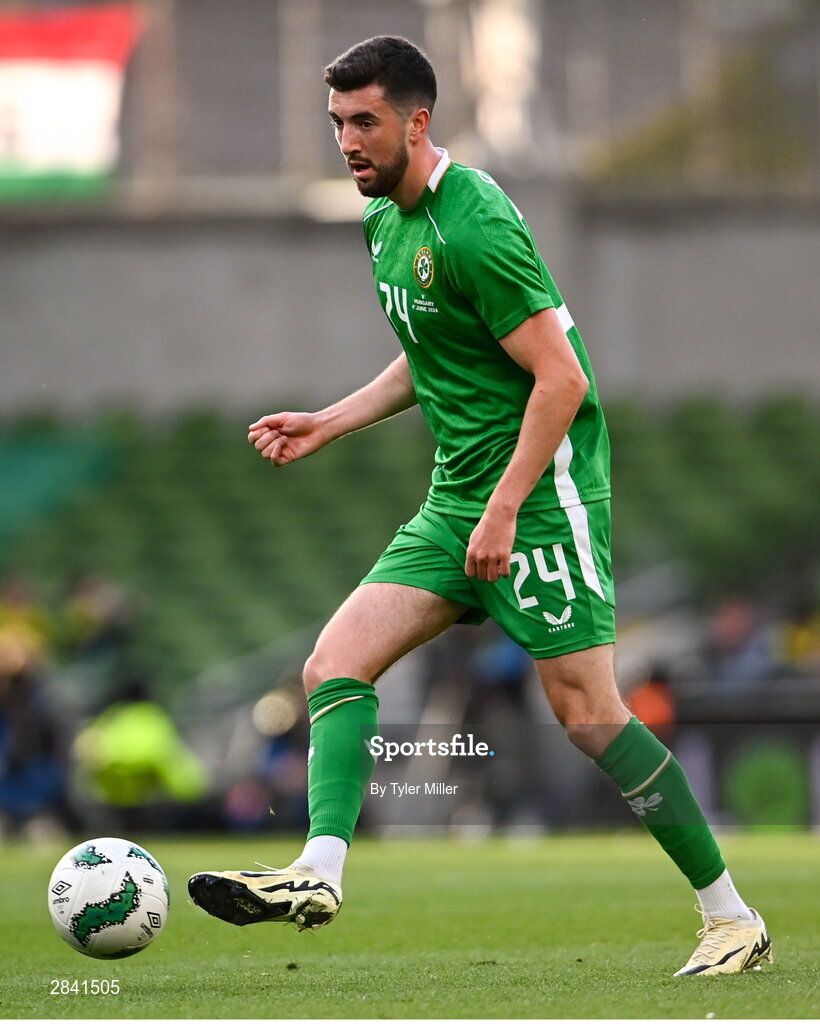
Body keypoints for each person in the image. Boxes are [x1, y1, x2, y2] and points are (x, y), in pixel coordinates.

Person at [189, 35, 771, 976]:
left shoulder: (476, 222)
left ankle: (732, 917)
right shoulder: (386, 220)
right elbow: (436, 350)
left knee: (587, 715)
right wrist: (331, 422)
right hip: (458, 494)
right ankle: (319, 870)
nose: (347, 141)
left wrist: (504, 510)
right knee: (334, 663)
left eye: (365, 122)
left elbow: (562, 379)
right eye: (337, 122)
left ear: (418, 121)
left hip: (541, 498)